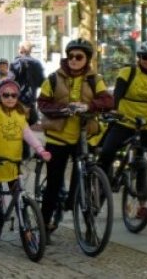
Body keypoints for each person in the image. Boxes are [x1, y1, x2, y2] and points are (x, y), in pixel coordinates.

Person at [36, 38, 113, 232]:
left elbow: (107, 101)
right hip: (58, 138)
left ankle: (88, 227)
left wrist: (89, 106)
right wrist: (63, 110)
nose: (74, 60)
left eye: (79, 57)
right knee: (53, 184)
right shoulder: (54, 78)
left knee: (83, 184)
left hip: (83, 137)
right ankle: (43, 226)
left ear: (87, 59)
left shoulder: (95, 79)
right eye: (70, 56)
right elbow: (42, 103)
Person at [97, 40, 147, 219]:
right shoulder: (128, 72)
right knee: (107, 152)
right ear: (139, 57)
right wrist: (114, 109)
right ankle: (100, 185)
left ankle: (143, 206)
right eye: (145, 57)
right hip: (125, 121)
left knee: (143, 164)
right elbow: (118, 93)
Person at [0, 78, 50, 246]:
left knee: (19, 199)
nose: (10, 98)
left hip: (13, 162)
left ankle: (27, 233)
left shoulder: (20, 113)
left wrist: (40, 149)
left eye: (14, 95)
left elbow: (28, 134)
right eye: (6, 95)